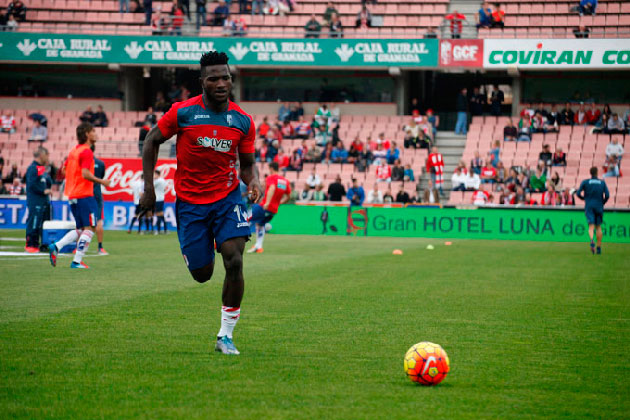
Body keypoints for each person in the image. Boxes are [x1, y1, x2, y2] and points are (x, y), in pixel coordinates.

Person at [139, 51, 262, 356]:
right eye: (214, 78)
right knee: (202, 273)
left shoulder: (243, 120)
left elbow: (247, 163)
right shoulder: (183, 113)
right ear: (202, 82)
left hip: (227, 197)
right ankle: (193, 251)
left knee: (234, 259)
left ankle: (226, 335)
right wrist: (149, 188)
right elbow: (152, 140)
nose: (221, 83)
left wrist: (254, 181)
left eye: (226, 77)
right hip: (191, 203)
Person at [48, 122, 111, 269]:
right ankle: (76, 261)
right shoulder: (87, 151)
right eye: (93, 131)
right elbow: (85, 173)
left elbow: (64, 170)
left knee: (82, 229)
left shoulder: (74, 151)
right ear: (87, 134)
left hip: (73, 195)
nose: (96, 133)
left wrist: (74, 179)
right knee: (90, 228)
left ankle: (57, 246)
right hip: (84, 194)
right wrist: (102, 181)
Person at [247, 162, 290, 254]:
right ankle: (259, 247)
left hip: (264, 207)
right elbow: (288, 196)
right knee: (260, 225)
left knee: (244, 218)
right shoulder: (285, 181)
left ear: (271, 168)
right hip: (273, 210)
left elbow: (272, 188)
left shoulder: (271, 178)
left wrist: (267, 202)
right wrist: (280, 203)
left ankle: (225, 240)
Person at [24, 147, 52, 253]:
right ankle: (31, 243)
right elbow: (32, 184)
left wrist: (47, 186)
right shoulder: (32, 168)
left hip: (44, 201)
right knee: (34, 222)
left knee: (44, 223)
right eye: (47, 155)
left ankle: (43, 244)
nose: (48, 157)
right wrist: (43, 190)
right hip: (36, 201)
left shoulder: (42, 168)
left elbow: (45, 181)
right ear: (41, 155)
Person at [576, 167, 609, 254]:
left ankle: (591, 240)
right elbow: (608, 195)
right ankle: (599, 247)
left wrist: (584, 199)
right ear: (597, 172)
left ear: (590, 173)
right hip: (599, 206)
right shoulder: (602, 182)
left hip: (589, 206)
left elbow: (578, 193)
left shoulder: (585, 182)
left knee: (591, 226)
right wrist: (602, 202)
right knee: (598, 227)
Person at [92, 145, 108, 255]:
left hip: (83, 193)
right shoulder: (100, 163)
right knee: (98, 221)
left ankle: (77, 247)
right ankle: (100, 247)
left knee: (82, 222)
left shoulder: (82, 163)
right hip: (96, 193)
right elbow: (102, 177)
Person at [153, 170, 168, 234]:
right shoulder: (163, 180)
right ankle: (165, 230)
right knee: (161, 214)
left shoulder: (158, 181)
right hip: (161, 198)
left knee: (158, 214)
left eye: (154, 174)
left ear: (157, 174)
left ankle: (158, 230)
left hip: (157, 199)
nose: (153, 176)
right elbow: (164, 189)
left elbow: (150, 186)